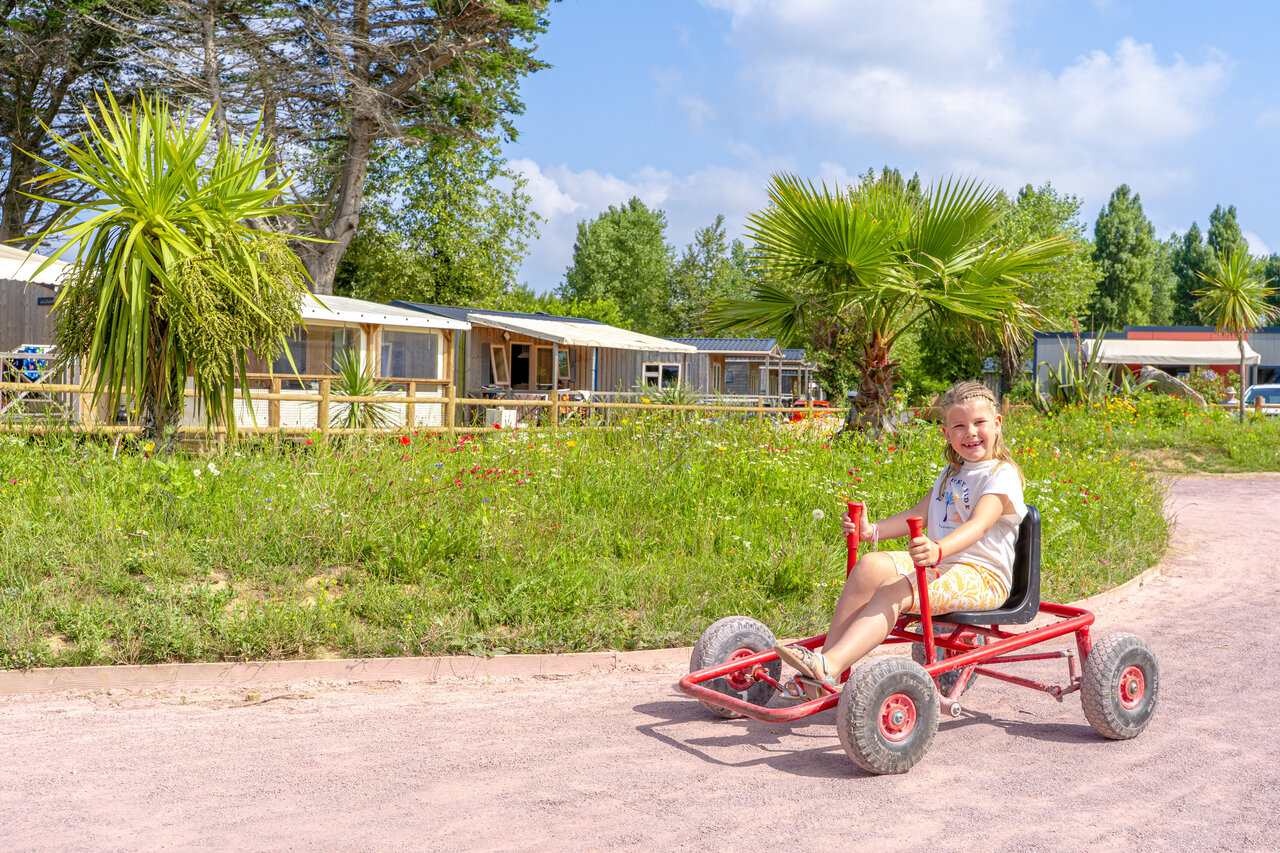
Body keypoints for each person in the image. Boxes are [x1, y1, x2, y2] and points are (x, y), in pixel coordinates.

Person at [775, 380, 1027, 699]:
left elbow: (978, 525)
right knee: (870, 565)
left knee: (894, 589)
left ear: (997, 423)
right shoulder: (952, 472)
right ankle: (824, 669)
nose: (970, 433)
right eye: (959, 426)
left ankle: (829, 664)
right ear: (946, 434)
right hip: (943, 566)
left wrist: (937, 549)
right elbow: (920, 512)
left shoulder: (1001, 474)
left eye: (979, 423)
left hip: (982, 576)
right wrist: (872, 531)